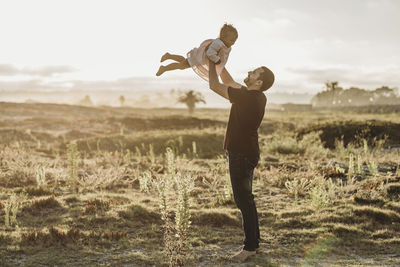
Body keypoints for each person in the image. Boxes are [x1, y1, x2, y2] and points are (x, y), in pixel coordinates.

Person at [208, 60, 275, 262]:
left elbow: (214, 85)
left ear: (259, 82)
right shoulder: (254, 96)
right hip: (244, 153)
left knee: (243, 201)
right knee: (247, 200)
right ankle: (253, 244)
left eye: (255, 72)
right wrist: (219, 64)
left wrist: (211, 63)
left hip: (241, 155)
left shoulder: (247, 98)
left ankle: (250, 247)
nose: (250, 71)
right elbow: (227, 80)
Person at [156, 23, 238, 81]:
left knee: (184, 62)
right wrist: (216, 59)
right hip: (199, 58)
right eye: (231, 40)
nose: (233, 42)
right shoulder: (218, 43)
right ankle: (164, 68)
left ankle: (169, 56)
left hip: (200, 59)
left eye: (234, 40)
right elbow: (210, 53)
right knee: (181, 66)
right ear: (223, 37)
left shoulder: (227, 46)